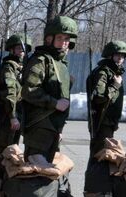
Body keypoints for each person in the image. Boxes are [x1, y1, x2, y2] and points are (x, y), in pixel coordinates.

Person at [21, 16, 78, 164]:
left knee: (45, 174)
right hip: (40, 125)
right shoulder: (41, 60)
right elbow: (29, 90)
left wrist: (58, 128)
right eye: (60, 38)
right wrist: (54, 103)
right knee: (36, 172)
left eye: (67, 39)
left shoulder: (60, 63)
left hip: (53, 125)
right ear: (48, 39)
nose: (64, 42)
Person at [83, 40, 125, 197]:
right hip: (101, 124)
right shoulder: (103, 72)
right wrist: (114, 85)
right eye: (118, 55)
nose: (121, 59)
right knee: (98, 162)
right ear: (109, 55)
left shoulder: (112, 72)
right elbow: (99, 97)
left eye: (123, 56)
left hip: (108, 124)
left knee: (100, 161)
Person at [0, 33, 32, 197]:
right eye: (19, 48)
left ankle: (6, 187)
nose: (22, 52)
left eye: (24, 49)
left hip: (18, 116)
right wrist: (13, 116)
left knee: (13, 151)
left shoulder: (22, 67)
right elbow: (10, 94)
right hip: (8, 118)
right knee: (4, 151)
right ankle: (0, 188)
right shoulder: (9, 68)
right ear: (12, 49)